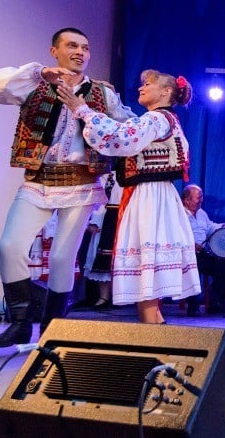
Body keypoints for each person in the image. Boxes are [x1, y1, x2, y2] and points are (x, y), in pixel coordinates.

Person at [0, 27, 134, 348]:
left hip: (82, 184)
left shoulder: (102, 93)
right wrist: (38, 72)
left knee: (62, 257)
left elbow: (125, 128)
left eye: (85, 47)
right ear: (54, 51)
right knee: (9, 246)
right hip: (38, 181)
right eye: (72, 45)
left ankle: (53, 329)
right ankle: (20, 323)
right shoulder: (33, 84)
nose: (80, 52)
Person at [58, 69, 200, 324]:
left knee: (146, 279)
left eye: (148, 84)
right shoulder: (159, 119)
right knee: (148, 287)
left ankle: (151, 342)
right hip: (151, 194)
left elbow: (122, 137)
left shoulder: (158, 119)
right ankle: (156, 338)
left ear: (166, 92)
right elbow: (125, 126)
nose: (140, 88)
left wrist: (84, 110)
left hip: (150, 196)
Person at [182, 184, 225, 316]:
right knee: (192, 267)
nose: (201, 201)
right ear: (187, 200)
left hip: (203, 252)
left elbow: (210, 226)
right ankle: (192, 306)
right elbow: (174, 235)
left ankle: (215, 303)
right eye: (198, 198)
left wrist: (223, 225)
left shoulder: (201, 213)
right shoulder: (178, 215)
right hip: (186, 253)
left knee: (222, 262)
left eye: (201, 198)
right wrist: (191, 245)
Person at [82, 172, 121, 310]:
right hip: (106, 219)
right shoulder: (106, 177)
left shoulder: (128, 176)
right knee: (100, 257)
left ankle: (119, 296)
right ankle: (104, 296)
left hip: (123, 218)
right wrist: (94, 221)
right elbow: (99, 201)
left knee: (119, 259)